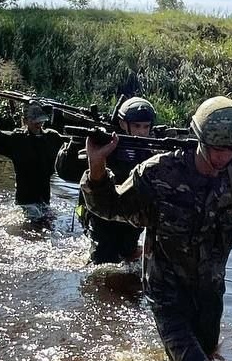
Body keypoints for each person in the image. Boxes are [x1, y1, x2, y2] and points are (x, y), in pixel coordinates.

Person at [80, 96, 232, 361]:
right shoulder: (158, 172)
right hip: (168, 292)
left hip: (210, 291)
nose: (222, 158)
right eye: (216, 148)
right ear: (200, 138)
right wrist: (97, 165)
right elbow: (110, 207)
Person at [56, 97, 158, 264]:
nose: (142, 132)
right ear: (123, 124)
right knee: (102, 259)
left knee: (128, 254)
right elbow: (66, 172)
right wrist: (76, 143)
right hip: (98, 215)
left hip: (129, 217)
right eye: (137, 126)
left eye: (146, 127)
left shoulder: (149, 151)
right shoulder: (105, 144)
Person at [0, 89, 64, 221]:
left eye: (40, 120)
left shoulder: (52, 138)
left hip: (45, 204)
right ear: (25, 120)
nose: (38, 124)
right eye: (33, 120)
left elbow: (71, 152)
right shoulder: (17, 140)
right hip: (25, 204)